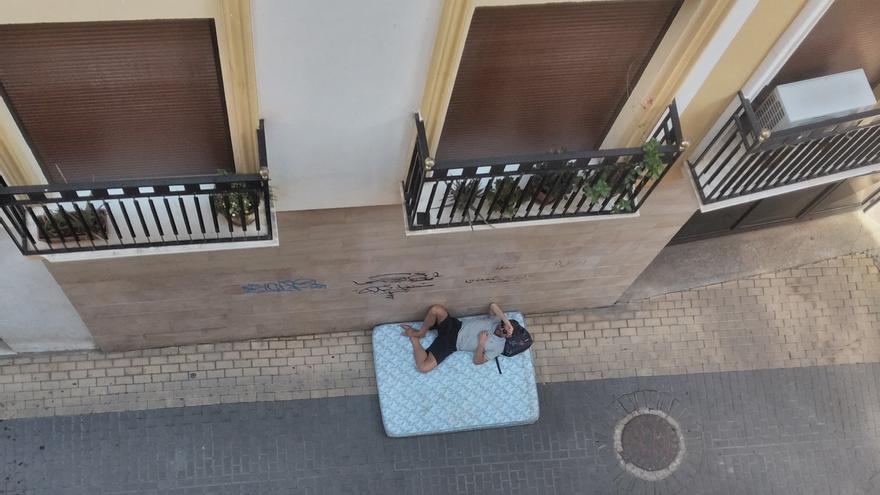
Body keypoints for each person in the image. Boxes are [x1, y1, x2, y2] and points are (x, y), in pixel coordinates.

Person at [401, 302, 520, 373]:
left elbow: (478, 361)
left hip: (452, 343)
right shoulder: (497, 320)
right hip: (455, 326)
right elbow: (493, 305)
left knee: (423, 367)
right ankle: (421, 333)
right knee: (436, 309)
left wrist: (481, 343)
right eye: (503, 325)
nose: (501, 328)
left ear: (508, 336)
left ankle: (414, 339)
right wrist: (505, 321)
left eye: (505, 330)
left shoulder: (498, 347)